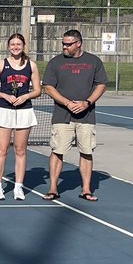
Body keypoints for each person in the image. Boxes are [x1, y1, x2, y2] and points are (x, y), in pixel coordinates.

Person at [42, 29, 108, 202]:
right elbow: (48, 86)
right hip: (62, 115)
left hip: (86, 116)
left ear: (78, 43)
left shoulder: (94, 61)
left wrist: (87, 102)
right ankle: (53, 188)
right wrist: (67, 103)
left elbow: (101, 85)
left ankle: (86, 189)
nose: (65, 46)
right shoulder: (55, 62)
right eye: (63, 43)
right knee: (57, 151)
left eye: (68, 44)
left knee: (86, 151)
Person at [0, 33, 42, 201]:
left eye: (18, 44)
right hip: (4, 110)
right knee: (2, 150)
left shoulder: (31, 65)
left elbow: (38, 90)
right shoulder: (1, 65)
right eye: (13, 44)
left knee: (20, 150)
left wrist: (26, 96)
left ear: (24, 46)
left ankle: (18, 187)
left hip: (24, 111)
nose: (16, 47)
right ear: (8, 47)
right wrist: (4, 96)